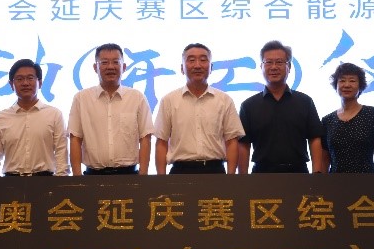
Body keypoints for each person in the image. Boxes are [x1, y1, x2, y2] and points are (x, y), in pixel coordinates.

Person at [154, 43, 244, 175]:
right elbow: (162, 142)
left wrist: (231, 178)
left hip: (215, 171)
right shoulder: (169, 100)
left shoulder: (224, 100)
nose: (197, 65)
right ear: (182, 68)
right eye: (191, 60)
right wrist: (161, 180)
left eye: (203, 60)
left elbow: (231, 142)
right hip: (180, 172)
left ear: (211, 67)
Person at [237, 40, 324, 174]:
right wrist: (242, 179)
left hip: (299, 173)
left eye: (279, 62)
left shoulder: (305, 102)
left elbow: (314, 138)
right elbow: (243, 144)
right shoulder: (248, 105)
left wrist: (317, 174)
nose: (274, 67)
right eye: (268, 62)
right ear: (261, 66)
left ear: (289, 66)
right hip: (262, 174)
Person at [68, 43, 153, 176]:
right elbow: (75, 138)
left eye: (115, 62)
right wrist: (77, 177)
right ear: (95, 67)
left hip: (129, 175)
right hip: (93, 176)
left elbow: (145, 138)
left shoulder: (137, 98)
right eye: (104, 62)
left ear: (123, 67)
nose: (110, 67)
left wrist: (143, 176)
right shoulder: (81, 98)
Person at [0, 59, 69, 177]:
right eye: (19, 79)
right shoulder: (0, 118)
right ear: (11, 85)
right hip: (11, 182)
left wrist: (60, 181)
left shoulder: (54, 115)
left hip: (46, 181)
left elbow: (61, 152)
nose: (25, 83)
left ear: (40, 83)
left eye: (30, 78)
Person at [319, 62, 374, 173]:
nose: (347, 85)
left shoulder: (373, 114)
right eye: (342, 80)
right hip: (335, 182)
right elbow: (325, 159)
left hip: (366, 180)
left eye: (352, 81)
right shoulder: (327, 120)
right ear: (336, 85)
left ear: (360, 86)